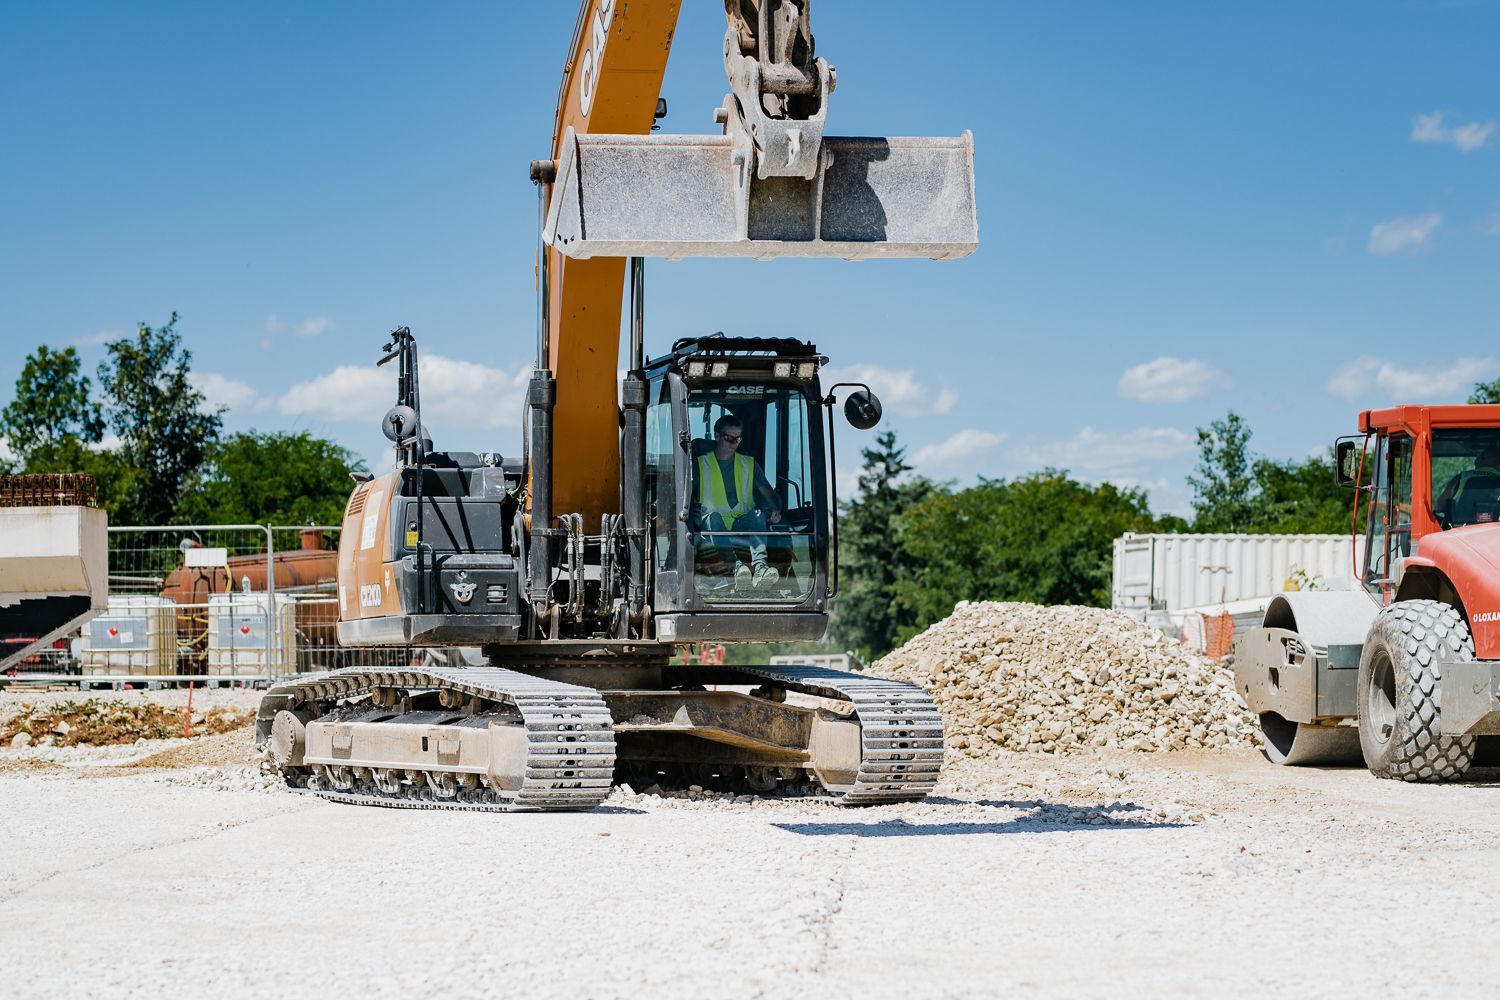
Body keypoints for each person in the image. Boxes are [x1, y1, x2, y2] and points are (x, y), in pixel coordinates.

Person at [693, 414, 782, 588]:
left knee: (757, 515)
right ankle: (736, 568)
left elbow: (768, 494)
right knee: (713, 518)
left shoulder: (748, 464)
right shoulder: (699, 465)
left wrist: (775, 509)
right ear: (717, 436)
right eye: (729, 438)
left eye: (738, 439)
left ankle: (761, 569)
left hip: (740, 524)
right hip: (711, 527)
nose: (734, 443)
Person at [1436, 443, 1500, 527]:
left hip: (1461, 532)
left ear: (1480, 460)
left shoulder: (1462, 478)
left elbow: (1440, 505)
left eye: (1478, 457)